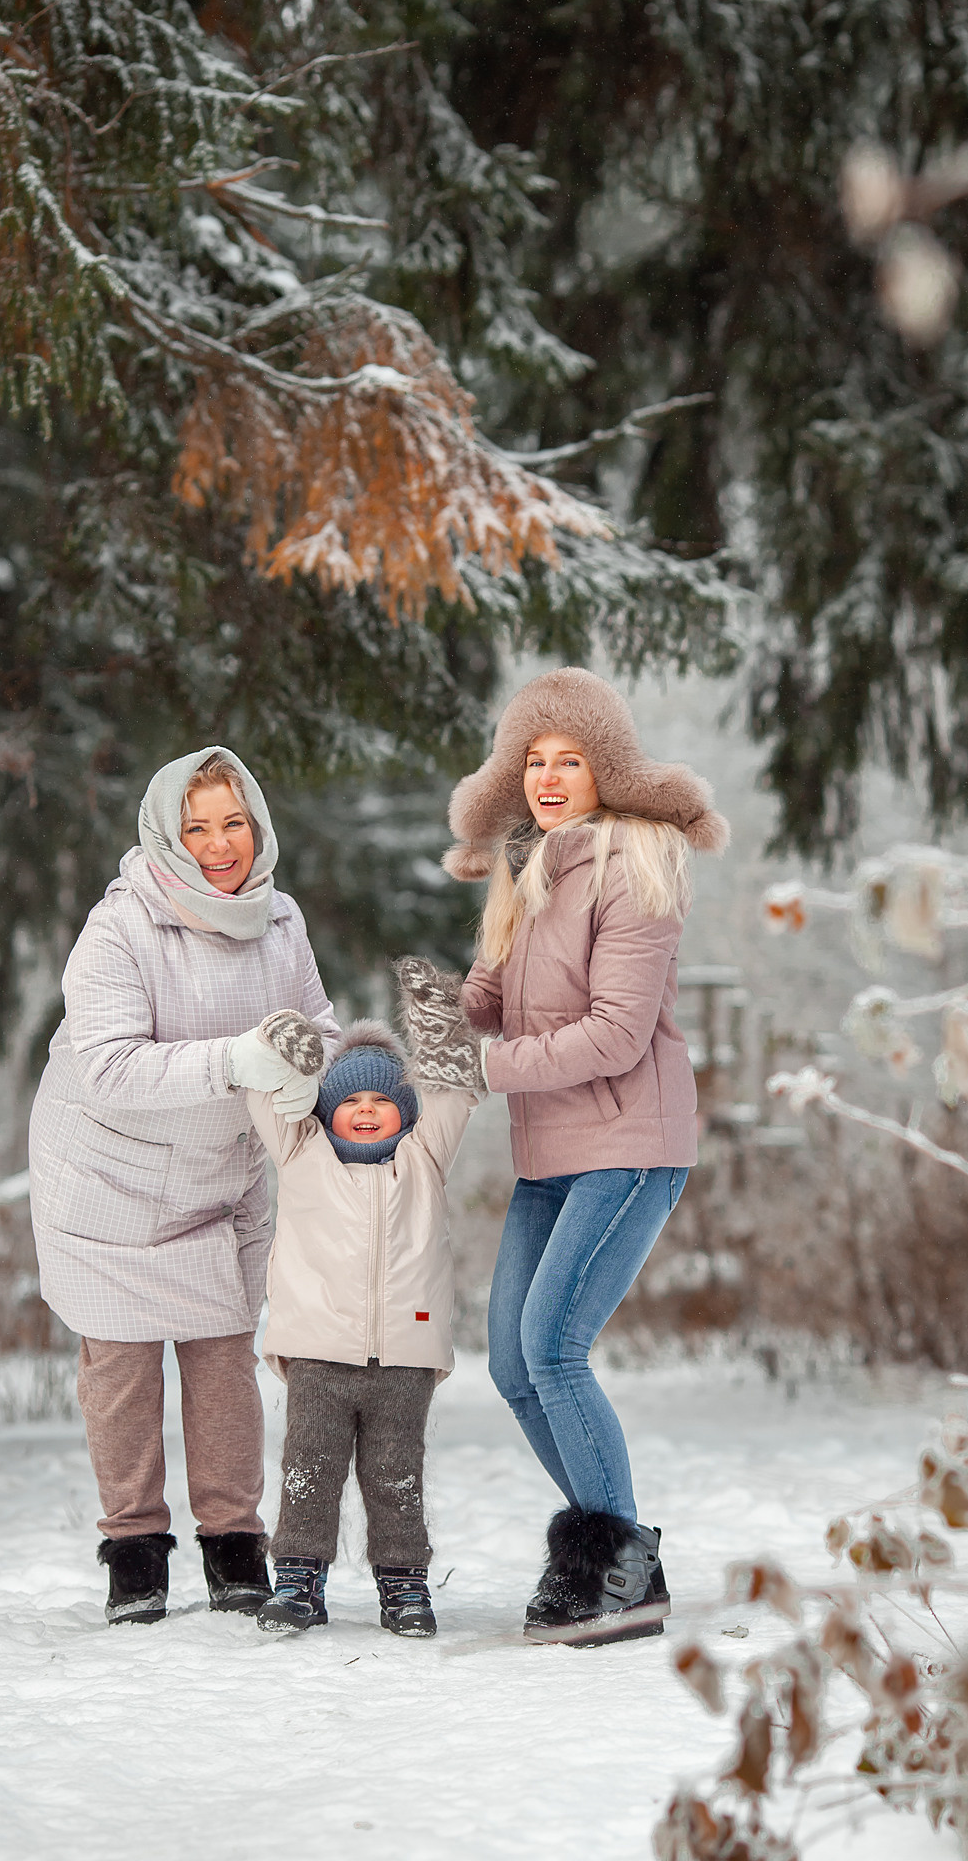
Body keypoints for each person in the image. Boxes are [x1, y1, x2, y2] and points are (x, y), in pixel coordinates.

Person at [440, 667, 729, 1643]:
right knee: (512, 1365)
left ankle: (611, 1567)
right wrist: (467, 989)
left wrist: (489, 1066)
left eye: (569, 760)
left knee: (555, 1349)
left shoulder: (635, 872)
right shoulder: (535, 869)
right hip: (551, 1151)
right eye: (533, 760)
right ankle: (617, 1552)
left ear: (604, 770)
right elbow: (501, 1008)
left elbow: (612, 1033)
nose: (549, 776)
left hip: (628, 1145)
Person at [29, 746, 340, 1625]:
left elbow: (313, 1020)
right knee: (122, 1368)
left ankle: (235, 1544)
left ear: (258, 827)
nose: (218, 845)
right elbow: (108, 1067)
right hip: (106, 1172)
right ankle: (134, 1550)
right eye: (196, 827)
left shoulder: (280, 922)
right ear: (167, 834)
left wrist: (310, 1071)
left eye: (233, 823)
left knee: (222, 1360)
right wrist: (236, 1061)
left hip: (215, 1174)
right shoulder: (120, 927)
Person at [241, 990, 478, 1638]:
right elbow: (263, 1086)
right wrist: (282, 1041)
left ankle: (404, 1587)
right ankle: (297, 1582)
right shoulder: (300, 1154)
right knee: (309, 1470)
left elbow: (455, 1092)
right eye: (350, 1101)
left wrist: (446, 1032)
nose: (366, 1111)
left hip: (405, 1356)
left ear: (404, 1112)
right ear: (326, 1111)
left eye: (380, 1101)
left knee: (395, 1476)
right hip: (318, 1352)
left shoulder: (423, 1160)